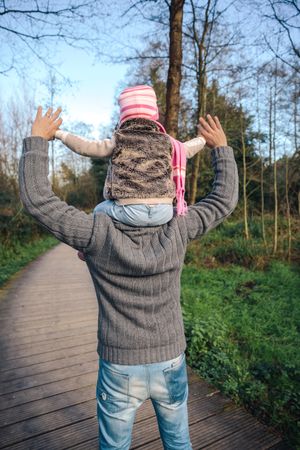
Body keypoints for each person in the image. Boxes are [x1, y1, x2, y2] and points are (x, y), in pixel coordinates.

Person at [19, 105, 239, 450]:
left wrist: (37, 141)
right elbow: (222, 201)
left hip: (120, 363)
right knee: (179, 441)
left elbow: (39, 202)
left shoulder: (97, 232)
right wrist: (221, 150)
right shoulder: (179, 226)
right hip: (170, 360)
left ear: (116, 178)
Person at [55, 85, 206, 229]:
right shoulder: (166, 141)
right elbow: (186, 149)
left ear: (123, 117)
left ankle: (92, 248)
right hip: (164, 211)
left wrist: (60, 134)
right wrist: (203, 139)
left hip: (129, 212)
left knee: (99, 210)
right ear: (154, 115)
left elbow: (86, 147)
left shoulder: (119, 139)